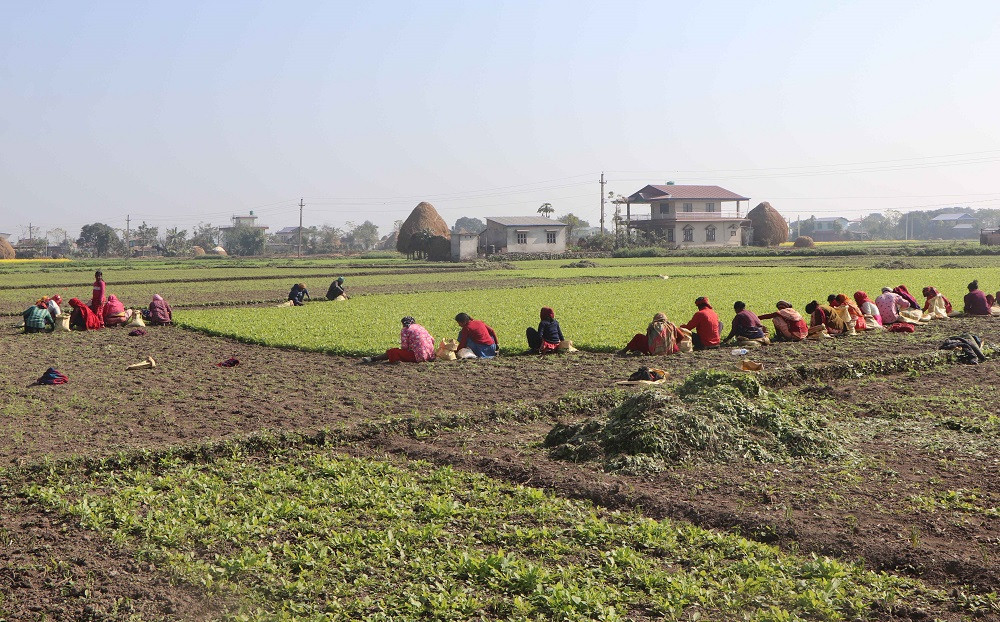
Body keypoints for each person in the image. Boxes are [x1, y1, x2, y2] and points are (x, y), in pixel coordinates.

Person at [362, 316, 436, 364]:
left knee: (393, 352)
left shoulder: (405, 329)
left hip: (419, 356)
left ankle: (373, 359)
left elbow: (404, 347)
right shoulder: (420, 327)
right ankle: (373, 359)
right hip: (430, 355)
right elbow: (432, 340)